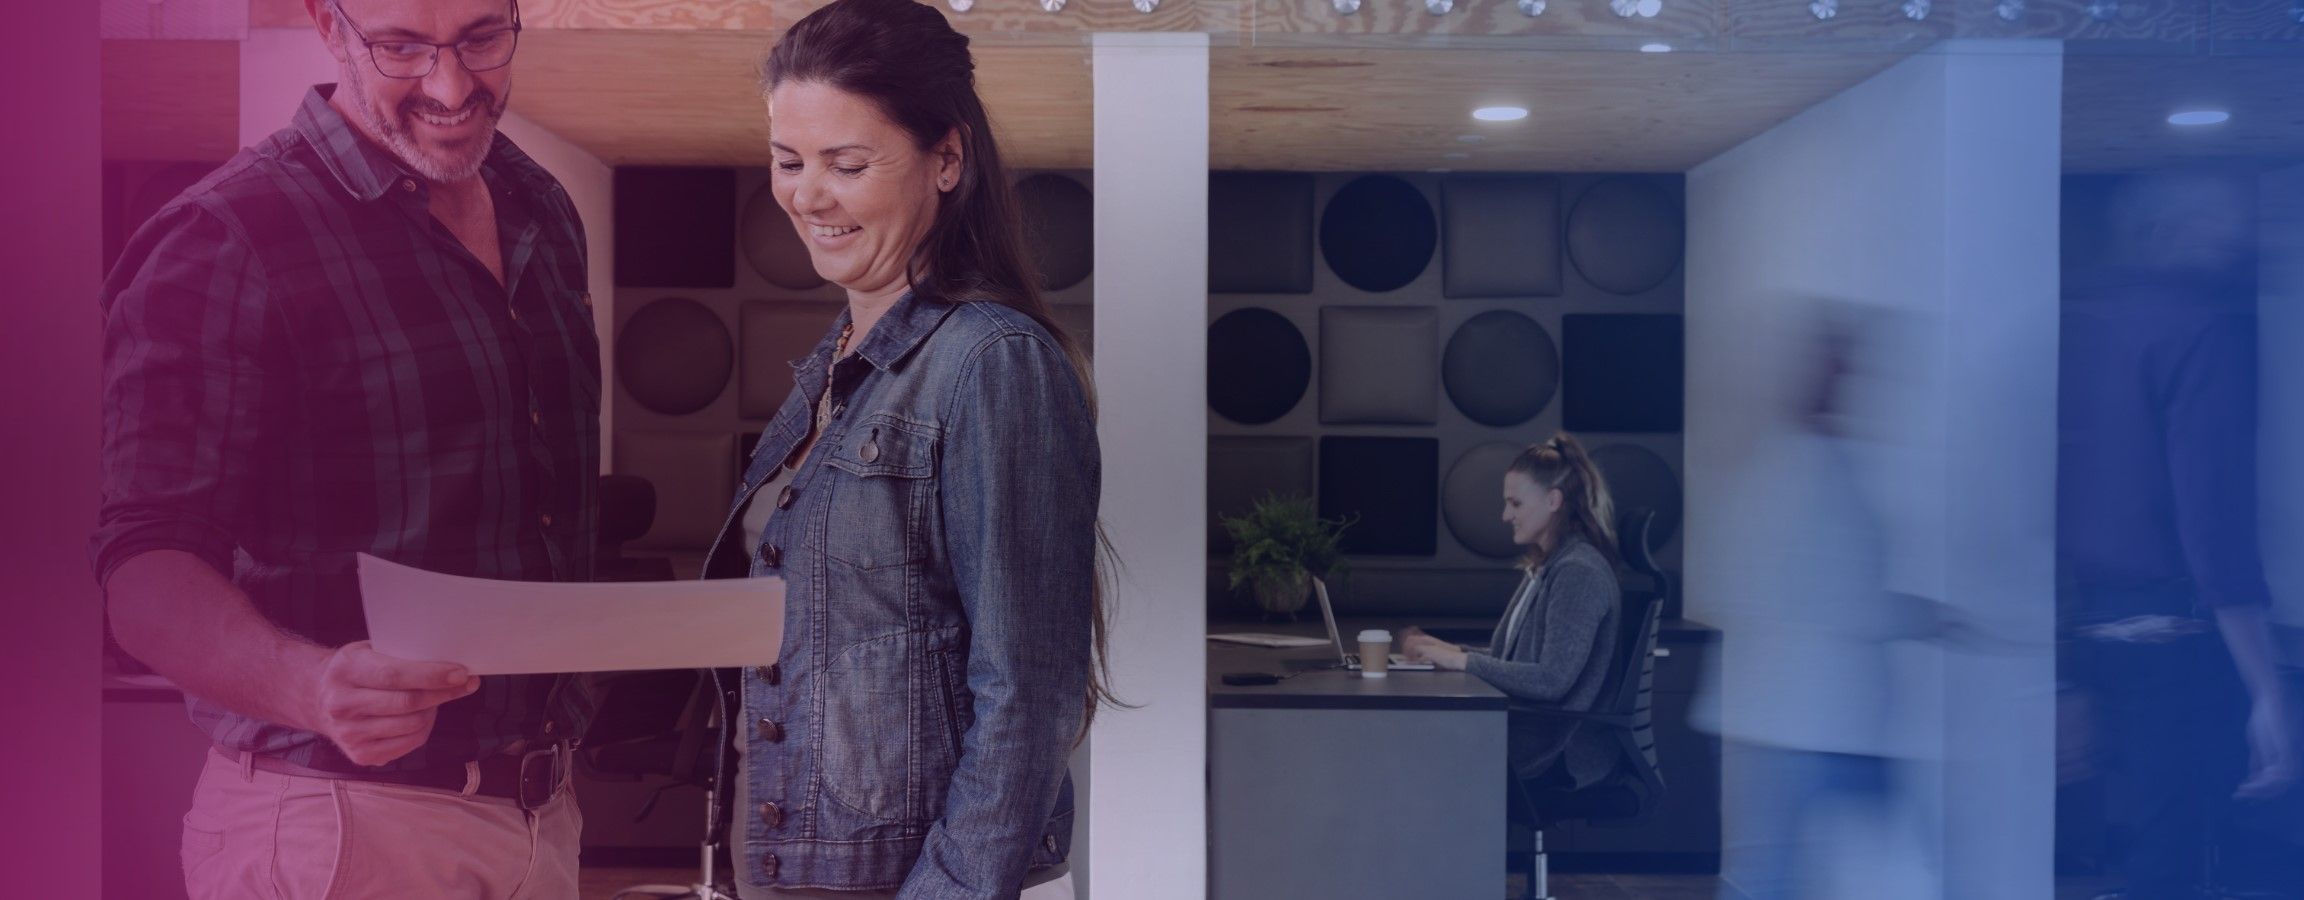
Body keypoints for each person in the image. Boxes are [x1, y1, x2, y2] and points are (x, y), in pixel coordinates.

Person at [91, 0, 599, 896]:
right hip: (337, 824)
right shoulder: (226, 236)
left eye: (481, 38)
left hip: (541, 817)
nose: (451, 87)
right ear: (330, 28)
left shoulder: (540, 206)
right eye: (401, 46)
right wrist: (310, 684)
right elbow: (143, 567)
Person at [697, 0, 1109, 895]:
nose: (809, 194)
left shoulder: (993, 364)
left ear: (947, 158)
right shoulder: (832, 368)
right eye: (788, 162)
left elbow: (1028, 696)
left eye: (848, 164)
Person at [2060, 171, 2297, 900]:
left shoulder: (2084, 322)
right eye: (2221, 223)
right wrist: (2267, 688)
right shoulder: (2204, 330)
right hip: (2178, 640)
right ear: (2175, 230)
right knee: (2186, 856)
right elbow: (2212, 519)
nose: (2236, 238)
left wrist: (2059, 662)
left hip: (2096, 629)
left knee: (2142, 850)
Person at [1402, 433, 1623, 790]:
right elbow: (1515, 660)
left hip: (1552, 749)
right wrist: (1449, 651)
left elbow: (1551, 679)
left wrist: (1462, 663)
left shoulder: (1577, 572)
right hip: (1527, 730)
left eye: (1515, 504)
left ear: (1553, 500)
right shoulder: (1549, 565)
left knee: (1412, 749)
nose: (1506, 515)